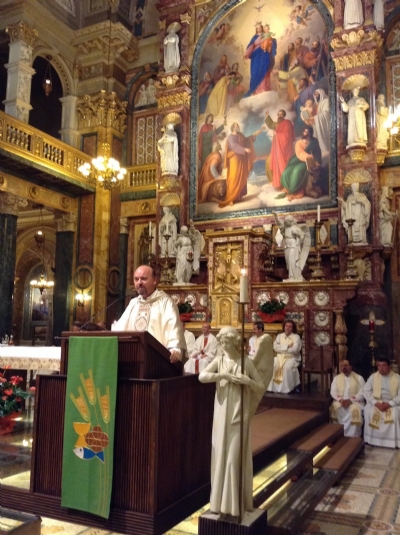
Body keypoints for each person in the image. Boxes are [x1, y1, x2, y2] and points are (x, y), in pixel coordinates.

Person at [198, 326, 266, 519]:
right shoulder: (219, 361)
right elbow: (202, 377)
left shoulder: (246, 362)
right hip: (221, 415)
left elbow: (260, 386)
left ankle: (236, 504)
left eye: (225, 342)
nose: (222, 345)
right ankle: (219, 504)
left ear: (235, 342)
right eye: (221, 342)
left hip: (239, 415)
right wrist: (223, 375)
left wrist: (248, 381)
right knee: (220, 454)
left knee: (234, 457)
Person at [112, 265, 186, 363]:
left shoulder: (165, 302)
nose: (139, 283)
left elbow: (173, 327)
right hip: (131, 358)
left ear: (155, 280)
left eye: (143, 279)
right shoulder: (134, 303)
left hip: (157, 360)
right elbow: (121, 329)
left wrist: (175, 348)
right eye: (136, 279)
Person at [219, 122, 263, 208]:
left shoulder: (240, 135)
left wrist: (254, 135)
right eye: (237, 126)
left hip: (241, 159)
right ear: (233, 128)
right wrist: (244, 149)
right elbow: (234, 147)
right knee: (234, 177)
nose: (238, 127)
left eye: (238, 125)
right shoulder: (231, 137)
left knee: (241, 176)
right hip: (234, 159)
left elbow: (246, 141)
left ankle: (238, 196)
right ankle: (230, 198)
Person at [364, 357, 400, 448]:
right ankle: (372, 440)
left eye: (384, 365)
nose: (381, 368)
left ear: (389, 366)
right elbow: (366, 391)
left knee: (395, 415)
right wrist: (375, 403)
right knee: (369, 412)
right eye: (379, 365)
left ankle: (393, 442)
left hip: (392, 403)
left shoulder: (397, 378)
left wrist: (390, 404)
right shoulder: (373, 377)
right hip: (377, 402)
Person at [279, 125, 322, 201]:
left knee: (297, 171)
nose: (305, 133)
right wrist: (308, 156)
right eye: (304, 131)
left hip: (310, 162)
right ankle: (288, 188)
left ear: (310, 133)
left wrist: (317, 161)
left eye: (307, 131)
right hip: (299, 160)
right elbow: (300, 153)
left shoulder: (314, 141)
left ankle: (294, 192)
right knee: (286, 172)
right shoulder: (299, 142)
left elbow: (318, 152)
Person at [329, 359, 365, 437]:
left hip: (354, 402)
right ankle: (337, 435)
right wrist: (341, 400)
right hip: (340, 402)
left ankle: (354, 436)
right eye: (341, 366)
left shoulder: (359, 378)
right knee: (335, 408)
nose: (343, 367)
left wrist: (350, 401)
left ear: (351, 367)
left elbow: (363, 393)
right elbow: (333, 392)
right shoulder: (336, 378)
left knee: (354, 410)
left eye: (346, 365)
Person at [273, 212, 310, 281]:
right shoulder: (285, 227)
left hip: (294, 246)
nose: (285, 223)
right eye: (285, 222)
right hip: (287, 247)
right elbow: (279, 223)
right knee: (288, 262)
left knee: (292, 261)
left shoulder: (296, 228)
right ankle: (291, 277)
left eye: (287, 222)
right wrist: (276, 216)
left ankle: (295, 277)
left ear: (291, 222)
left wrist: (297, 234)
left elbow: (302, 236)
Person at [267, 319, 302, 393]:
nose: (287, 328)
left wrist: (282, 348)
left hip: (291, 357)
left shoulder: (296, 337)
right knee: (273, 364)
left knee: (287, 367)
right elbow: (275, 347)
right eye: (286, 326)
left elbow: (295, 350)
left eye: (290, 326)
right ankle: (272, 388)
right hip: (279, 357)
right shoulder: (280, 336)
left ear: (292, 328)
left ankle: (287, 388)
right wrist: (287, 346)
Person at [265, 109, 295, 190]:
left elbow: (287, 136)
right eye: (278, 114)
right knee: (276, 165)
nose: (279, 116)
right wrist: (268, 116)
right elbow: (271, 124)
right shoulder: (277, 123)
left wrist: (277, 134)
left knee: (284, 165)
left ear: (284, 115)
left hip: (284, 150)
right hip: (277, 148)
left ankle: (286, 184)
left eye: (281, 114)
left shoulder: (287, 123)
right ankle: (278, 184)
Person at [244, 23, 277, 96]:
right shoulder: (255, 37)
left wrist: (271, 42)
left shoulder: (266, 34)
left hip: (265, 55)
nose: (258, 29)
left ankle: (264, 88)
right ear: (256, 29)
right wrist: (247, 53)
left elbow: (272, 41)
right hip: (256, 56)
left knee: (264, 70)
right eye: (257, 28)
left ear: (262, 28)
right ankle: (256, 90)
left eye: (260, 27)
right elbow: (251, 46)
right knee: (255, 71)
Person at [310, 88, 330, 154]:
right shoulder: (316, 104)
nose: (315, 95)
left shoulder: (326, 101)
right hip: (317, 125)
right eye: (314, 94)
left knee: (323, 142)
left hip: (324, 126)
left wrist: (315, 118)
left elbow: (326, 113)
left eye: (316, 93)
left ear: (321, 93)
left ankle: (325, 152)